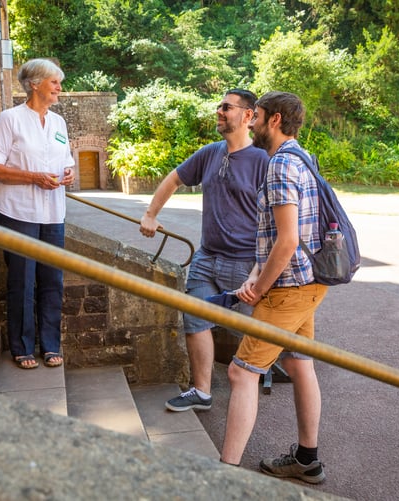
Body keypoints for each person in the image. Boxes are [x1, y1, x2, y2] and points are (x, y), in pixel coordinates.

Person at [220, 91, 329, 484]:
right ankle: (307, 459)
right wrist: (255, 271)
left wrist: (260, 287)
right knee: (300, 364)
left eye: (257, 117)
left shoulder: (281, 165)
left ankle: (225, 474)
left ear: (275, 120)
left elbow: (285, 241)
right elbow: (288, 235)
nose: (250, 123)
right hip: (309, 282)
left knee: (241, 372)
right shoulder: (303, 156)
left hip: (288, 287)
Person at [140, 89, 268, 412]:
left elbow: (275, 218)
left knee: (256, 333)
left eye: (227, 107)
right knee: (194, 319)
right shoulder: (210, 153)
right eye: (219, 106)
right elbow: (174, 179)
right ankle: (201, 391)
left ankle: (274, 374)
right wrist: (151, 213)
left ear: (248, 116)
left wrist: (260, 268)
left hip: (244, 264)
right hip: (206, 258)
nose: (219, 111)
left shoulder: (263, 161)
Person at [0, 58, 75, 370]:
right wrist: (34, 177)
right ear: (35, 84)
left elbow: (66, 161)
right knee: (22, 280)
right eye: (54, 82)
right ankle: (21, 347)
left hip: (53, 212)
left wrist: (67, 175)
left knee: (53, 280)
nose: (59, 88)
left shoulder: (59, 123)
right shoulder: (10, 119)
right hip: (18, 210)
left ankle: (51, 345)